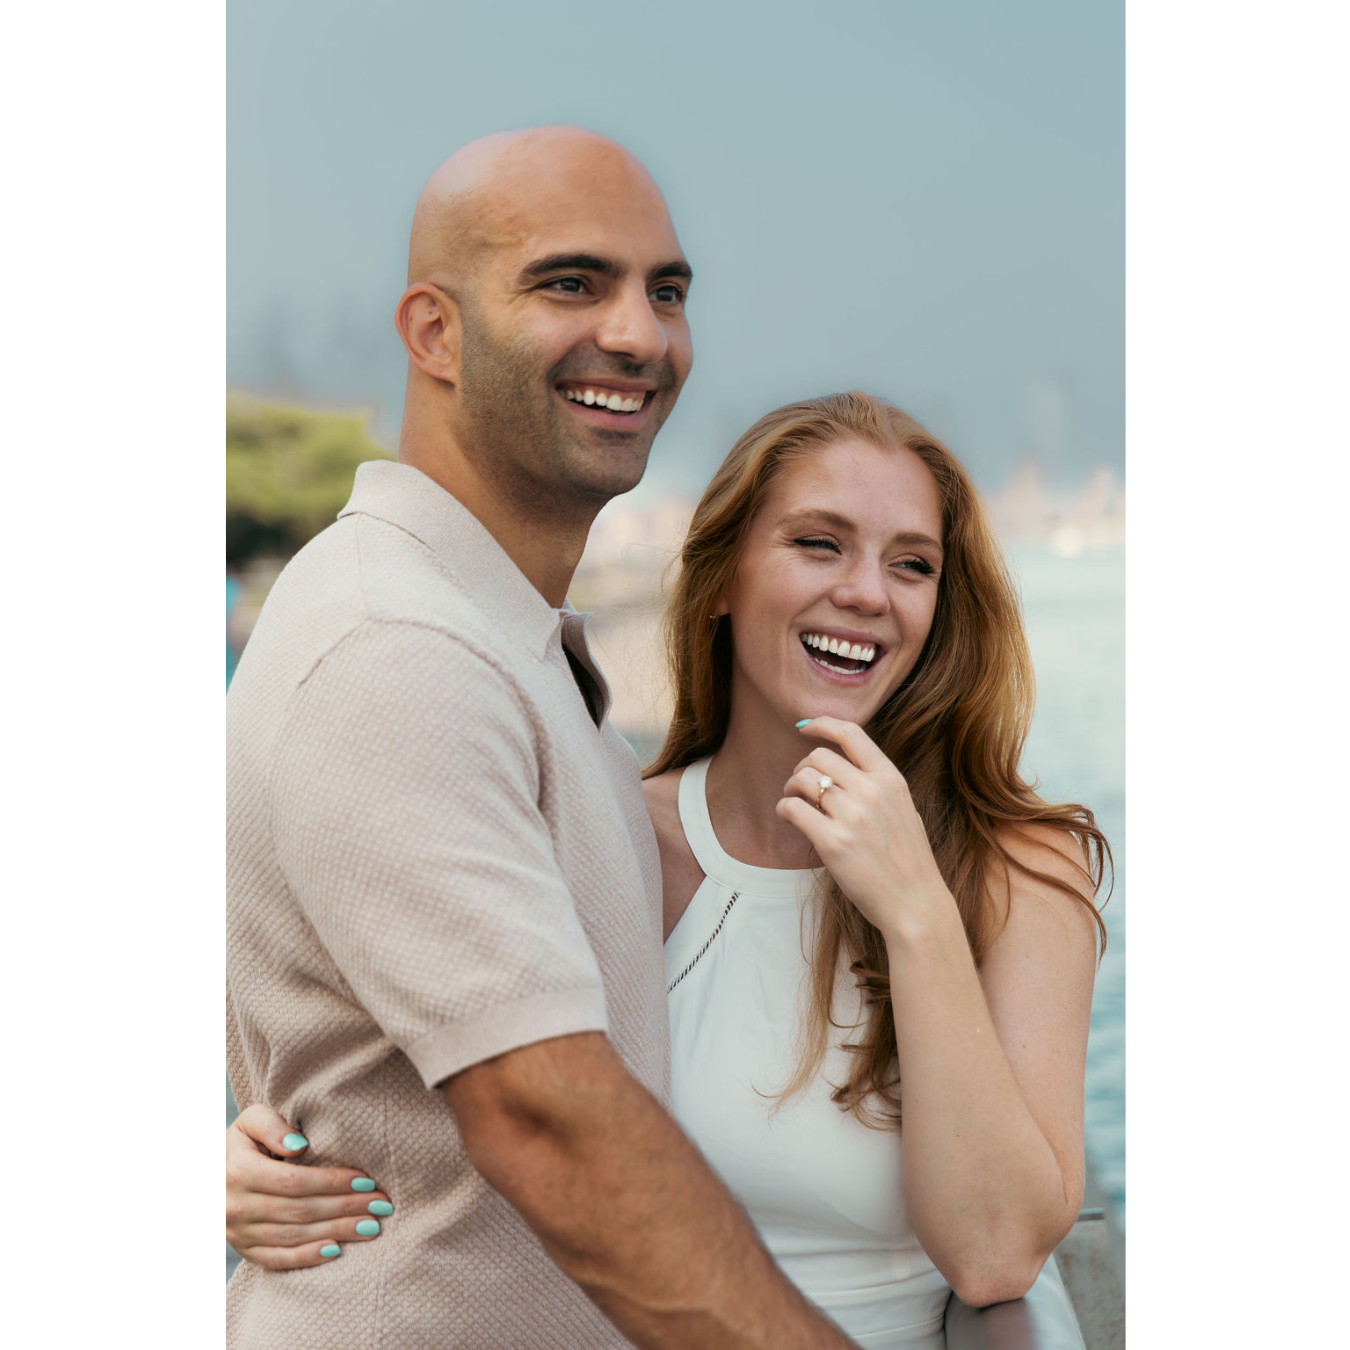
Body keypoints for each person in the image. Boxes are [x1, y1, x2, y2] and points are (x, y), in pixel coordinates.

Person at [227, 390, 1110, 1348]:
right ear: (723, 577)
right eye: (819, 544)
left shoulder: (1016, 869)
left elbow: (996, 1257)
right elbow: (459, 1083)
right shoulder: (607, 832)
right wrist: (266, 1156)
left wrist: (915, 911)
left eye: (913, 565)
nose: (868, 593)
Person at [225, 126, 857, 1350]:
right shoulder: (395, 646)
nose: (639, 334)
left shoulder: (503, 645)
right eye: (571, 282)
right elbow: (547, 1117)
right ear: (435, 333)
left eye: (666, 291)